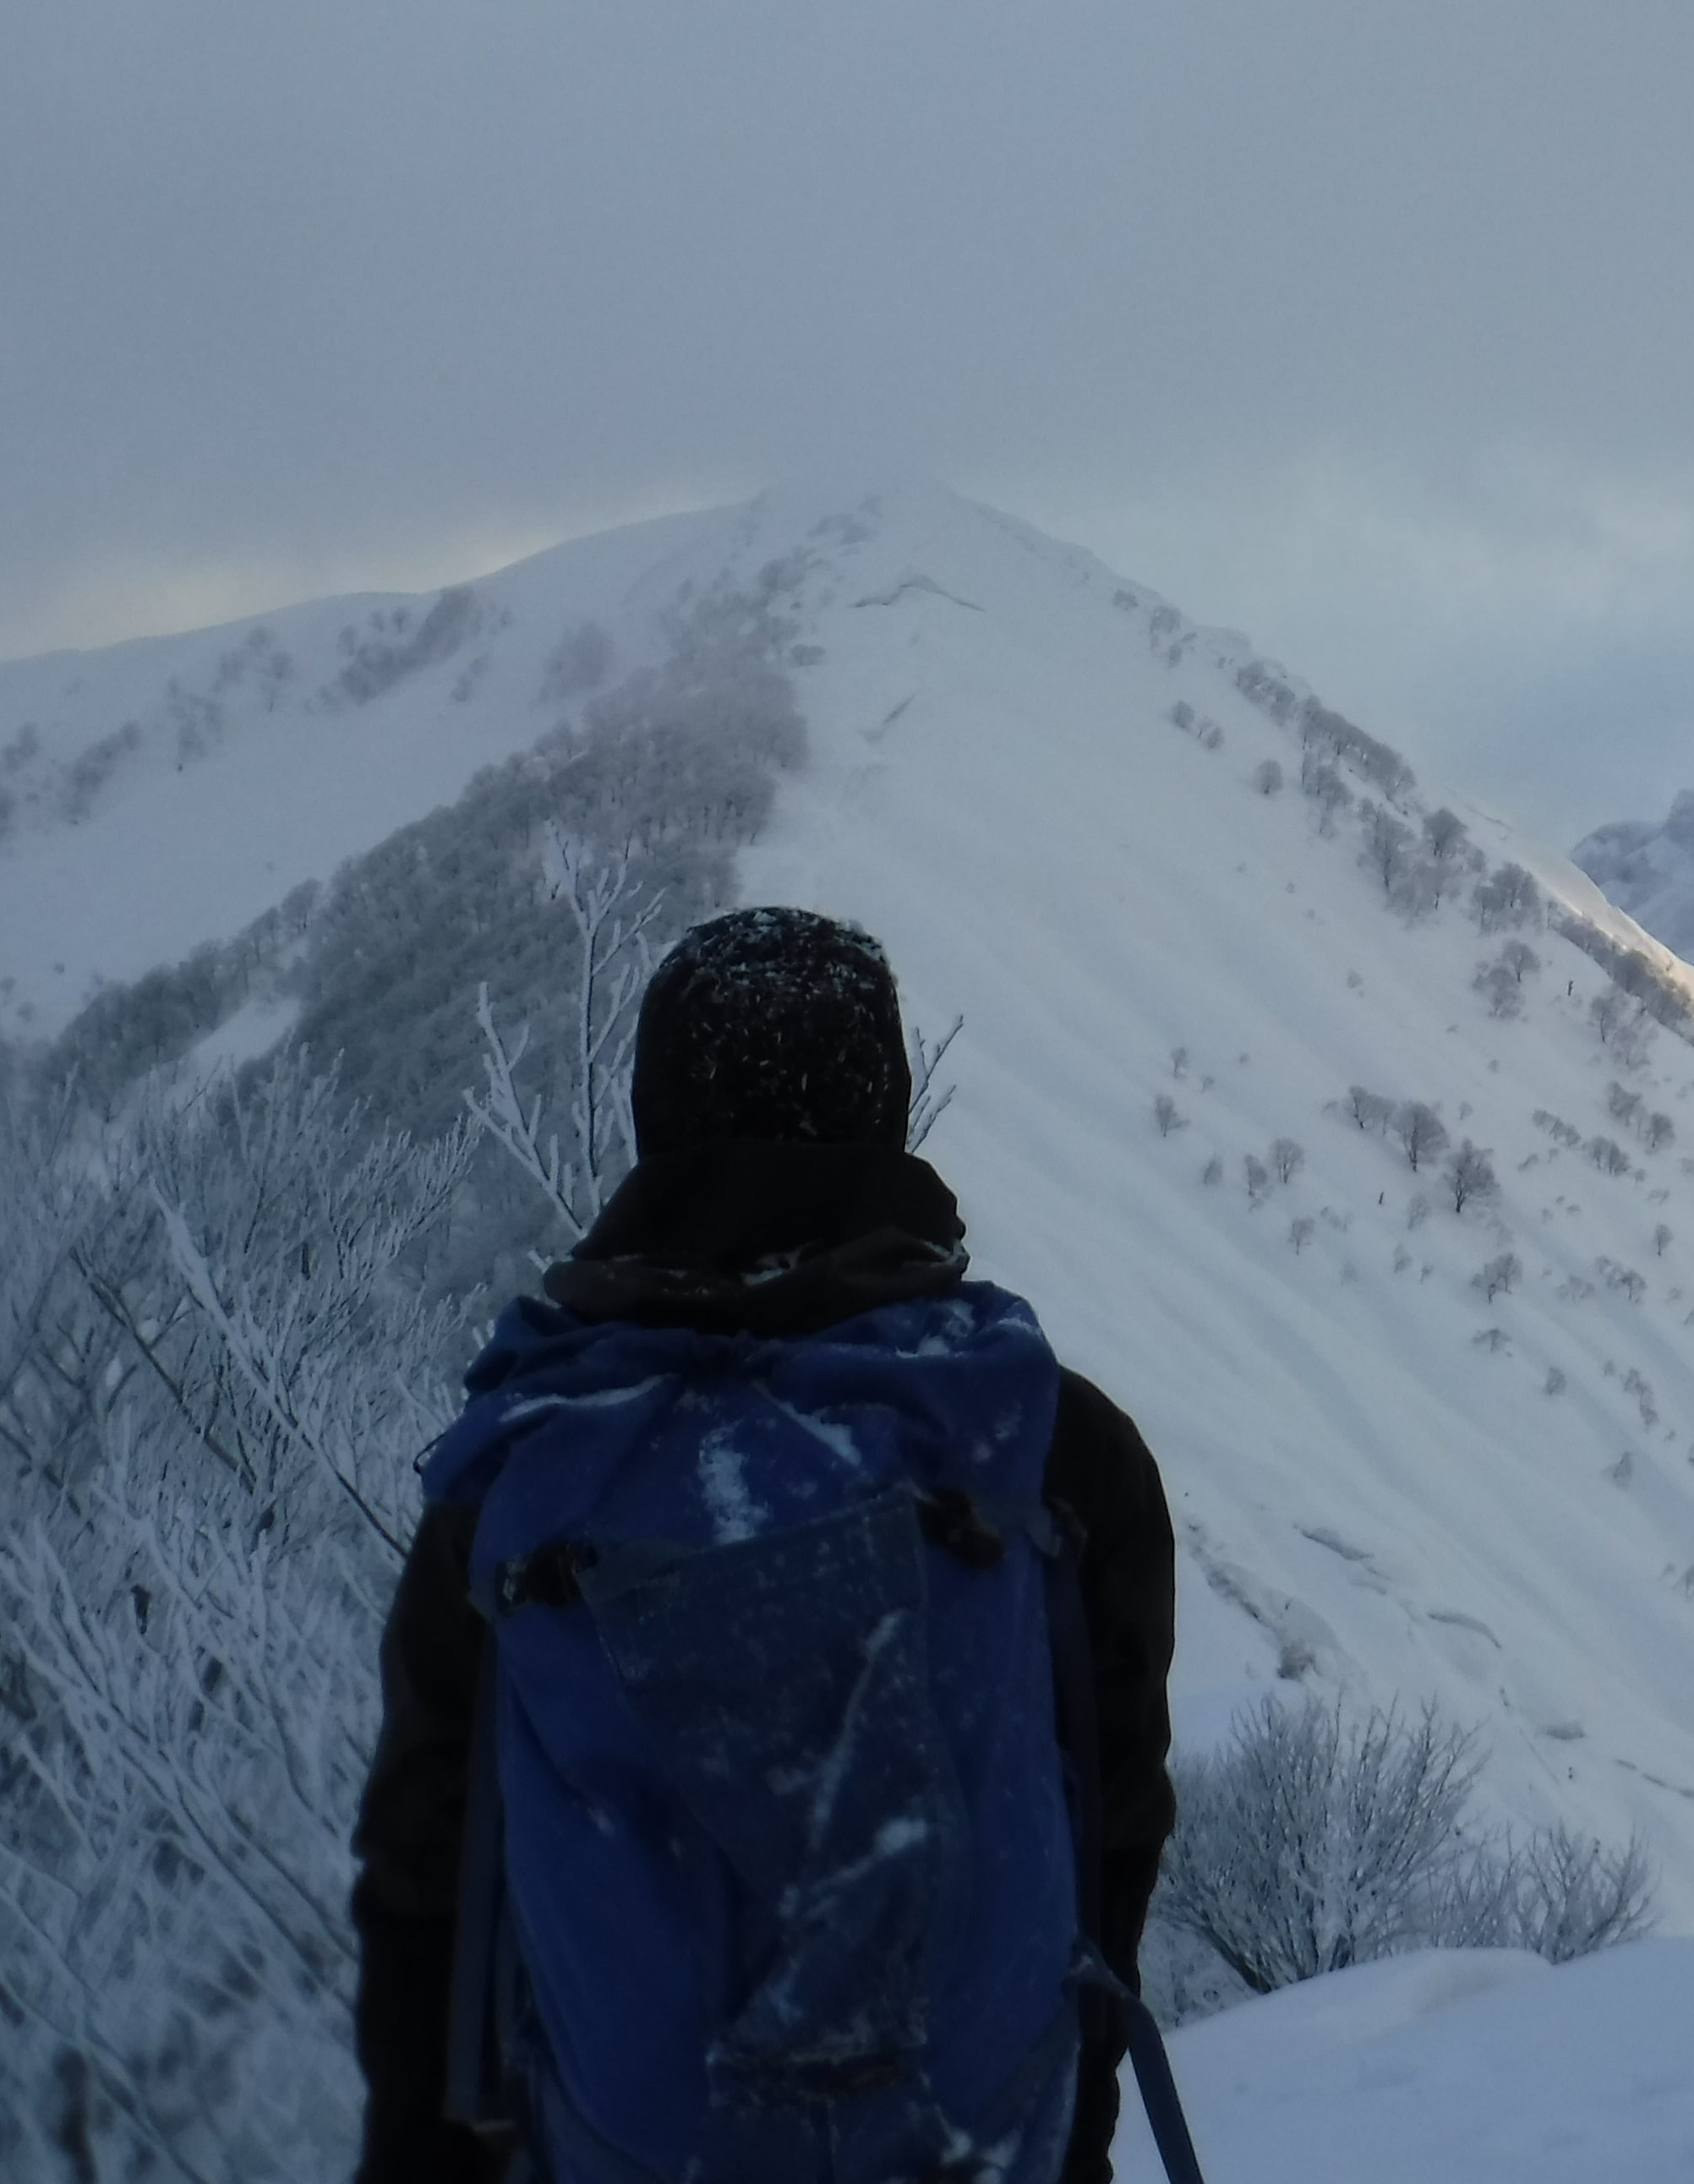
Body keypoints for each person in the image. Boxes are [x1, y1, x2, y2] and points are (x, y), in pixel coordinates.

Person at [351, 907, 1178, 2184]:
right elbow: (1107, 1837)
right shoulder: (1048, 1447)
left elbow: (426, 1893)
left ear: (653, 1123)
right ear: (888, 1112)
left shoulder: (527, 1468)